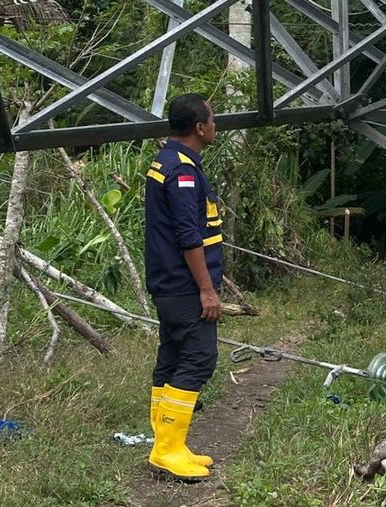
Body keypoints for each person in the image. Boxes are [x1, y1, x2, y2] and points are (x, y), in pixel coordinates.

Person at [144, 93, 224, 480]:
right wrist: (207, 290)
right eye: (213, 120)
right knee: (199, 358)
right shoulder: (182, 171)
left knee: (173, 358)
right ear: (199, 127)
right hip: (183, 285)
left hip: (168, 282)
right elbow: (189, 237)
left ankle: (168, 444)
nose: (215, 126)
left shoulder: (166, 160)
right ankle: (167, 450)